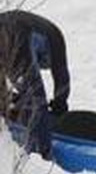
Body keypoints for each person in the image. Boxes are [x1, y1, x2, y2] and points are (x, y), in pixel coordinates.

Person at [1, 10, 70, 158]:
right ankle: (43, 155)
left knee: (21, 95)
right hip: (16, 36)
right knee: (36, 102)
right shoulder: (56, 38)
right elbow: (61, 76)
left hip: (10, 30)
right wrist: (60, 105)